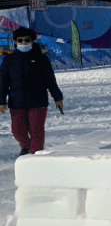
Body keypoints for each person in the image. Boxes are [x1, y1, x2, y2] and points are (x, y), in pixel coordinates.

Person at [0, 27, 64, 156]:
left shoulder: (42, 59)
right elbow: (3, 82)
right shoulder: (8, 60)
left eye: (27, 40)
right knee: (17, 131)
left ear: (32, 41)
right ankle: (26, 146)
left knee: (37, 132)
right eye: (20, 40)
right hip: (16, 102)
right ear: (16, 42)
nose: (23, 43)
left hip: (38, 101)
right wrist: (1, 101)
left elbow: (50, 80)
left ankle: (35, 157)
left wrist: (57, 97)